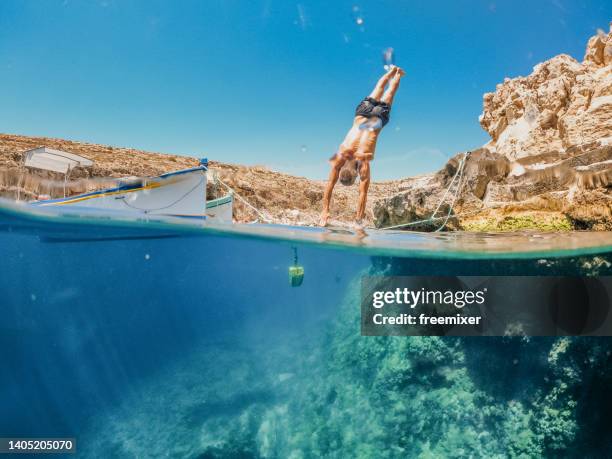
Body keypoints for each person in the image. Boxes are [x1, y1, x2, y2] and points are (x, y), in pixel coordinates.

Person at [320, 65, 405, 226]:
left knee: (390, 92)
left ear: (356, 175)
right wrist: (324, 210)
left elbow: (362, 194)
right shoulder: (340, 155)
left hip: (378, 118)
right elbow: (329, 185)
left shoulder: (364, 162)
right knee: (379, 87)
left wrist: (359, 220)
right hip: (361, 114)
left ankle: (398, 74)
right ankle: (392, 70)